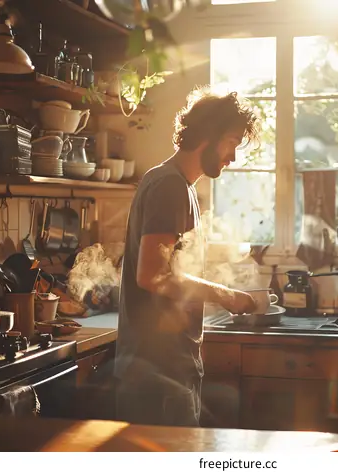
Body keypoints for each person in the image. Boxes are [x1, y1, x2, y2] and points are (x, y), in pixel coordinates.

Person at [114, 86, 261, 427]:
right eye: (232, 142)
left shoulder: (178, 185)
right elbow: (152, 275)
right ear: (208, 135)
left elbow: (172, 273)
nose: (233, 156)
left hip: (162, 370)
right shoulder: (170, 187)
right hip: (158, 377)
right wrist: (226, 296)